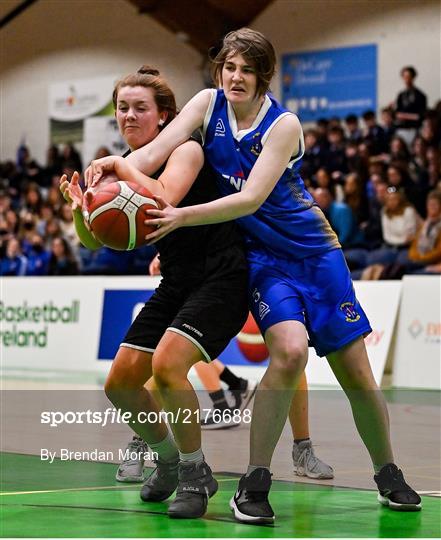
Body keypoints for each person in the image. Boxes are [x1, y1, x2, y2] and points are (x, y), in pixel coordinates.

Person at [87, 29, 421, 522]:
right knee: (287, 353)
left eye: (246, 69)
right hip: (262, 260)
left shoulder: (284, 124)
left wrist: (182, 217)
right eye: (228, 67)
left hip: (314, 254)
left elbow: (250, 199)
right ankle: (253, 481)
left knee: (357, 375)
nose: (235, 77)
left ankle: (386, 472)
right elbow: (151, 157)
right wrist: (110, 172)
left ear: (263, 76)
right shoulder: (207, 104)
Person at [61, 66, 250, 519]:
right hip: (178, 279)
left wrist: (116, 177)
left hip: (222, 276)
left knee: (167, 367)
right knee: (121, 383)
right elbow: (95, 241)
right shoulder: (124, 164)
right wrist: (82, 211)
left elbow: (165, 197)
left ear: (164, 116)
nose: (129, 115)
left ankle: (194, 471)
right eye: (122, 107)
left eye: (140, 108)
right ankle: (166, 460)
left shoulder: (185, 150)